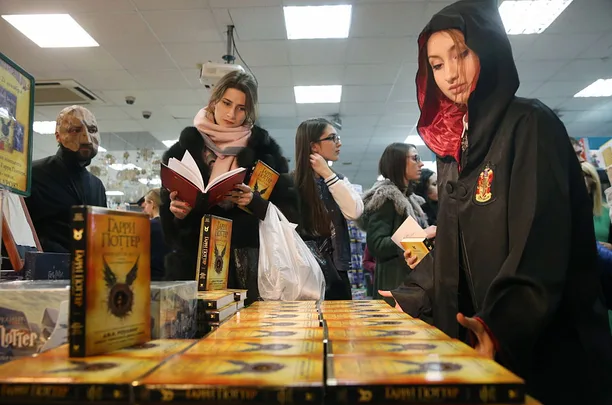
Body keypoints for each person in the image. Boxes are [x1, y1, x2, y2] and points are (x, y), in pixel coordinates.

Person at [386, 0, 612, 403]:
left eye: (461, 54)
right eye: (437, 64)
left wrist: (498, 325)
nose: (451, 74)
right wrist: (414, 296)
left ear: (487, 48)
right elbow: (454, 244)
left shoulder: (530, 125)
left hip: (548, 349)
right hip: (488, 349)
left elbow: (539, 245)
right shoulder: (454, 150)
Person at [160, 70, 297, 303]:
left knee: (247, 338)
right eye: (226, 103)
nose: (231, 114)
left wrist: (255, 202)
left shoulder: (265, 154)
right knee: (198, 337)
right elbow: (168, 215)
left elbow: (290, 214)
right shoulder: (182, 150)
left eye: (241, 108)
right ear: (214, 101)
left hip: (249, 269)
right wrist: (176, 212)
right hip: (194, 268)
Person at [294, 118, 363, 300]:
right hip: (305, 274)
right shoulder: (291, 184)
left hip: (337, 271)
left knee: (340, 326)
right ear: (314, 146)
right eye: (332, 138)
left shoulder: (336, 179)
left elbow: (354, 211)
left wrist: (327, 174)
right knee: (309, 327)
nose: (338, 143)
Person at [25, 105, 106, 253]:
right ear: (58, 136)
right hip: (43, 271)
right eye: (75, 130)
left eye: (92, 130)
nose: (87, 139)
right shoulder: (32, 175)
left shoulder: (97, 186)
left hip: (88, 270)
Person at [360, 143, 433, 304]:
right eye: (415, 158)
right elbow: (377, 244)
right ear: (398, 162)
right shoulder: (386, 198)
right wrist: (420, 236)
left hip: (410, 283)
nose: (421, 163)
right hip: (395, 285)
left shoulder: (409, 199)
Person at [142, 188, 168, 281]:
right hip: (170, 277)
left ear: (152, 204)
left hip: (152, 278)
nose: (144, 208)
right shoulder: (170, 226)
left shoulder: (147, 226)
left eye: (145, 204)